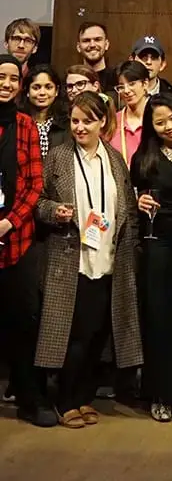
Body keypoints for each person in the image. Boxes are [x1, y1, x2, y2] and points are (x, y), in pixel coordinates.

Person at [35, 91, 143, 428]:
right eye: (75, 120)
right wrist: (55, 211)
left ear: (102, 122)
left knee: (99, 335)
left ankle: (84, 397)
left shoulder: (114, 159)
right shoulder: (58, 157)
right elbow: (37, 202)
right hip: (71, 259)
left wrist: (132, 250)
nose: (80, 127)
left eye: (87, 121)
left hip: (109, 257)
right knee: (74, 335)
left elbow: (126, 207)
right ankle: (65, 400)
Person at [131, 93, 172, 422]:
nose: (169, 126)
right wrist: (138, 202)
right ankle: (160, 393)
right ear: (151, 126)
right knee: (160, 320)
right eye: (160, 122)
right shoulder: (145, 157)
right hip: (158, 244)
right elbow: (132, 198)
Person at [0, 54, 56, 427]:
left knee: (22, 321)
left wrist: (8, 222)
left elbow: (35, 184)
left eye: (10, 79)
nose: (5, 84)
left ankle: (28, 396)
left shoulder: (25, 126)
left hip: (15, 240)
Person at [21, 64, 70, 158]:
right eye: (36, 88)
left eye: (48, 87)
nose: (42, 93)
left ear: (56, 91)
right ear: (27, 91)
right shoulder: (19, 122)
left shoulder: (66, 123)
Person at [112, 61, 151, 167]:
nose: (126, 91)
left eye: (132, 84)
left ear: (145, 84)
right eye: (121, 87)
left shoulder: (158, 118)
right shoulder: (113, 121)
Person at [76, 22, 116, 92]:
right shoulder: (70, 82)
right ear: (79, 47)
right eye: (86, 40)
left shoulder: (117, 79)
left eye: (97, 39)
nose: (92, 45)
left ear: (106, 45)